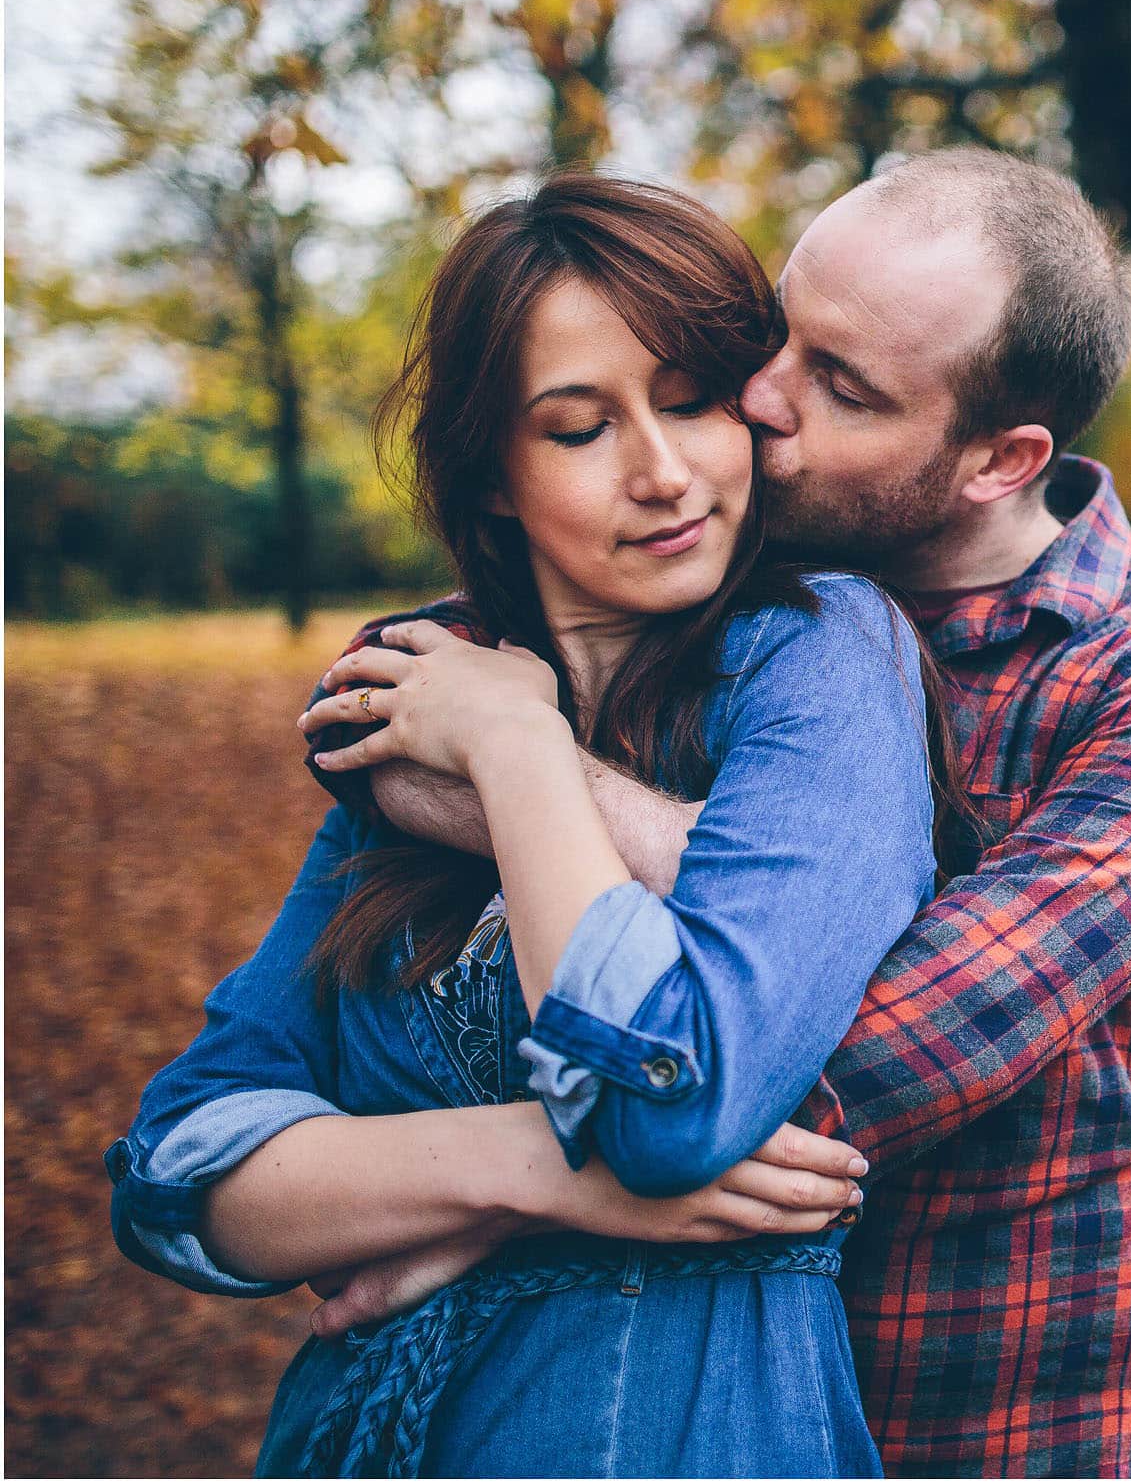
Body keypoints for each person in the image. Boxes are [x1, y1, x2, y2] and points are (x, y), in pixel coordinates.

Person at [293, 149, 1131, 1476]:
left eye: (844, 384)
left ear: (1002, 458)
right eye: (780, 329)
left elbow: (885, 1031)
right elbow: (394, 711)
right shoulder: (722, 579)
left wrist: (506, 1183)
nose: (757, 400)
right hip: (668, 1406)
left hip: (983, 1416)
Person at [106, 173, 942, 1476]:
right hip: (368, 1432)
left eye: (691, 399)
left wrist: (517, 748)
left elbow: (668, 1100)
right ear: (493, 475)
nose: (663, 473)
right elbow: (178, 1170)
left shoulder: (824, 653)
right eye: (578, 427)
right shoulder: (416, 717)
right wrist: (538, 1176)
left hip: (670, 1428)